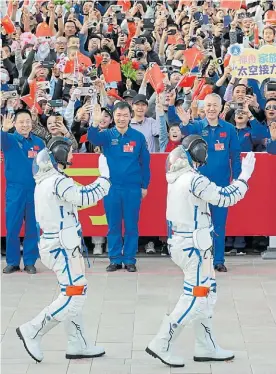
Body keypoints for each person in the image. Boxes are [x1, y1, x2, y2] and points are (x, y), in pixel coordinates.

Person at [145, 136, 256, 367]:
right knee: (196, 296)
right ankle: (162, 341)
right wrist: (244, 176)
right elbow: (226, 197)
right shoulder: (193, 180)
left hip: (190, 244)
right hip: (194, 246)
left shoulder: (179, 177)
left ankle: (205, 345)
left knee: (206, 294)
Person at [16, 137, 110, 363]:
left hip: (59, 244)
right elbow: (86, 196)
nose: (72, 156)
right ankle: (33, 330)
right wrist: (104, 178)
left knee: (72, 291)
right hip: (62, 246)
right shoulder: (57, 182)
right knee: (75, 294)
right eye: (69, 152)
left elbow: (75, 201)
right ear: (58, 154)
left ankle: (77, 343)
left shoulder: (50, 180)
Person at [171, 94, 242, 272]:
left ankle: (218, 260)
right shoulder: (196, 126)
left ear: (220, 108)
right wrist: (186, 123)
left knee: (218, 224)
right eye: (208, 105)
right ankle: (199, 259)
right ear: (204, 107)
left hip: (220, 186)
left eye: (214, 106)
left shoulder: (229, 129)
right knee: (197, 222)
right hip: (198, 186)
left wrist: (239, 179)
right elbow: (184, 134)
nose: (211, 109)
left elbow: (235, 156)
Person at [87, 101, 150, 272]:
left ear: (131, 116)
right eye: (118, 115)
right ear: (113, 117)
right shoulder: (107, 135)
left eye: (124, 115)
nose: (121, 118)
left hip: (132, 188)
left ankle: (129, 259)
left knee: (131, 225)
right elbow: (92, 137)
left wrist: (144, 186)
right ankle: (115, 259)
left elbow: (145, 163)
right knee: (113, 225)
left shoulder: (138, 137)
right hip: (112, 188)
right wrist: (94, 121)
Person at [1, 109, 45, 274]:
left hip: (34, 191)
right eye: (21, 122)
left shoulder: (39, 143)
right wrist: (4, 129)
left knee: (32, 228)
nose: (25, 125)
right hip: (15, 191)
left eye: (27, 121)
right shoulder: (9, 140)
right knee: (12, 227)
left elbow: (46, 164)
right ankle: (12, 262)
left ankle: (29, 261)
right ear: (15, 123)